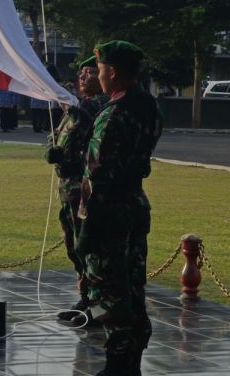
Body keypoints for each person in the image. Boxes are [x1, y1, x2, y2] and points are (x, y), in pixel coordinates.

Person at [76, 41, 162, 376]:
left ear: (111, 71)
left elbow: (97, 175)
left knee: (107, 289)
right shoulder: (149, 107)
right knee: (133, 285)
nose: (98, 75)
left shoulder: (112, 115)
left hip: (108, 212)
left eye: (99, 69)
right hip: (134, 205)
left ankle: (117, 364)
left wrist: (86, 226)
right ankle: (132, 363)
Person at [44, 56, 109, 327]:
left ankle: (97, 305)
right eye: (81, 73)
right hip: (67, 186)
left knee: (89, 246)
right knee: (74, 245)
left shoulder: (98, 107)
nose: (83, 77)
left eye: (90, 73)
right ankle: (84, 297)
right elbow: (58, 135)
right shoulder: (76, 108)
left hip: (85, 188)